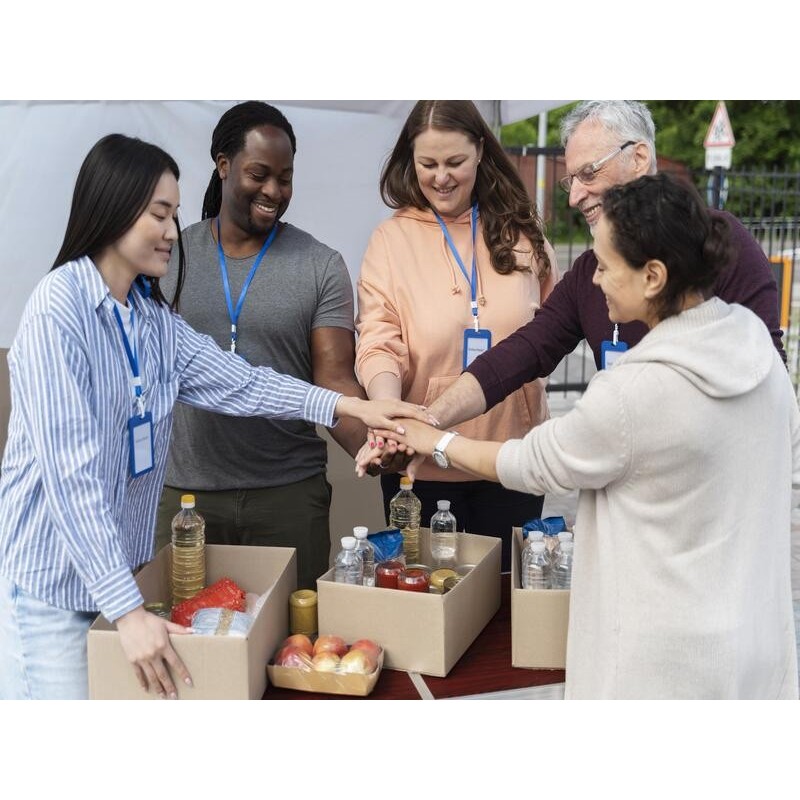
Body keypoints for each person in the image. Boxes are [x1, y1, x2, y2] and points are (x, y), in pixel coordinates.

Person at [0, 133, 429, 700]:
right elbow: (70, 477)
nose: (173, 233)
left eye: (175, 215)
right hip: (54, 589)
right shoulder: (59, 309)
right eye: (160, 214)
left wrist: (349, 404)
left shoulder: (148, 318)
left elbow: (243, 383)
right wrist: (129, 613)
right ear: (113, 208)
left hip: (117, 582)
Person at [362, 173, 800, 699]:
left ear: (653, 276)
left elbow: (532, 463)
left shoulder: (637, 391)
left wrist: (431, 440)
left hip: (661, 665)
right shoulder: (752, 347)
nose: (594, 280)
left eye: (607, 266)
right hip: (750, 643)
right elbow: (525, 351)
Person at [404, 100, 785, 447]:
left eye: (588, 173)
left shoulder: (719, 242)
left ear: (638, 158)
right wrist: (429, 418)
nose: (574, 196)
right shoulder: (590, 271)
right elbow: (523, 351)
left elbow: (767, 375)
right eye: (571, 180)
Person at [154, 102, 371, 590]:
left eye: (285, 178)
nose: (274, 191)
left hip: (288, 496)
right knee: (185, 641)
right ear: (223, 164)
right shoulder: (169, 257)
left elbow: (333, 380)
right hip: (187, 497)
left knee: (295, 649)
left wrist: (375, 444)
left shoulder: (320, 266)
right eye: (259, 174)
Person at [354, 100, 559, 571]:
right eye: (427, 164)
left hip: (512, 460)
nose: (440, 177)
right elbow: (379, 341)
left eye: (454, 162)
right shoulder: (391, 240)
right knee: (427, 604)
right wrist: (390, 416)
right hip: (420, 467)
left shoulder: (524, 233)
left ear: (481, 152)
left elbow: (554, 330)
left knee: (505, 609)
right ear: (411, 161)